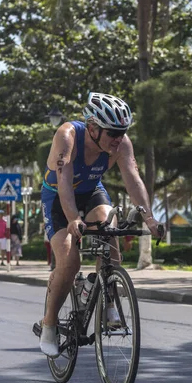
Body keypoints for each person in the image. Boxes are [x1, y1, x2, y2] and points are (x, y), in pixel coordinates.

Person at [40, 91, 164, 357]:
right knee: (70, 261)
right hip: (58, 196)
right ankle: (49, 323)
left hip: (92, 192)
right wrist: (74, 218)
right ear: (93, 128)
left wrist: (149, 217)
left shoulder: (121, 144)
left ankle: (108, 300)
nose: (118, 139)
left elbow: (133, 179)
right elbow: (64, 183)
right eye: (112, 133)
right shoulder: (67, 136)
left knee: (110, 224)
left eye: (123, 132)